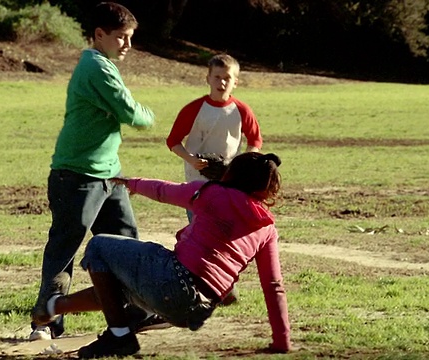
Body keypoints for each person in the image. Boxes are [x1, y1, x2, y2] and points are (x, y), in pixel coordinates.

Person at [31, 152, 292, 359]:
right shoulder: (267, 228)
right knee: (118, 288)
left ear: (231, 174)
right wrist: (282, 340)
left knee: (99, 246)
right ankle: (53, 307)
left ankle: (119, 336)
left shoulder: (213, 193)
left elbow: (165, 191)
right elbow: (273, 285)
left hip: (174, 282)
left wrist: (131, 183)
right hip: (199, 310)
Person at [29, 2, 157, 341]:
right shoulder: (96, 67)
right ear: (99, 35)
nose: (127, 45)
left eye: (130, 37)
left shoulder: (104, 63)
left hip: (109, 173)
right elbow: (133, 114)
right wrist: (148, 114)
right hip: (76, 175)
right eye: (121, 37)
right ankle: (45, 323)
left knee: (125, 243)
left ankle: (135, 312)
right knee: (65, 248)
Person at [166, 53, 263, 222]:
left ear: (236, 82)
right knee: (198, 223)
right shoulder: (194, 109)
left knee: (224, 223)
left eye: (227, 78)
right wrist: (190, 159)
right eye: (217, 77)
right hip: (196, 177)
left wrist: (240, 164)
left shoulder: (242, 110)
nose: (222, 82)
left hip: (229, 177)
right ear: (208, 79)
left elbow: (255, 140)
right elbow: (173, 140)